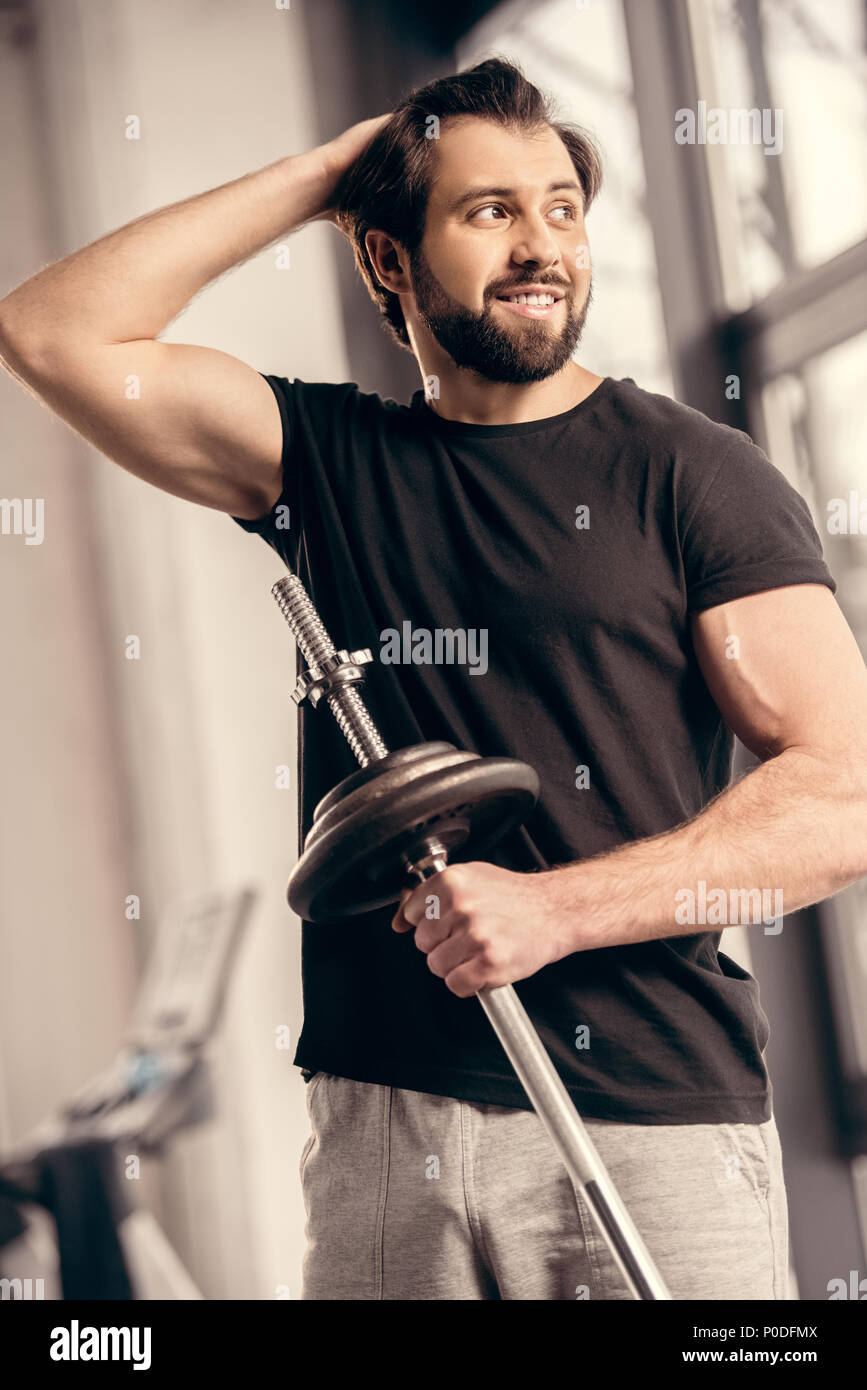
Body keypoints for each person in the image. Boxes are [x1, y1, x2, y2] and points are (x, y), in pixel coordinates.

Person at [2, 57, 866, 1303]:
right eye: (488, 210)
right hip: (386, 1127)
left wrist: (556, 910)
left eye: (561, 206)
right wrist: (329, 175)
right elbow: (51, 330)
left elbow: (839, 791)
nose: (540, 245)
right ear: (388, 262)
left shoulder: (695, 477)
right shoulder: (323, 462)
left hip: (652, 1117)